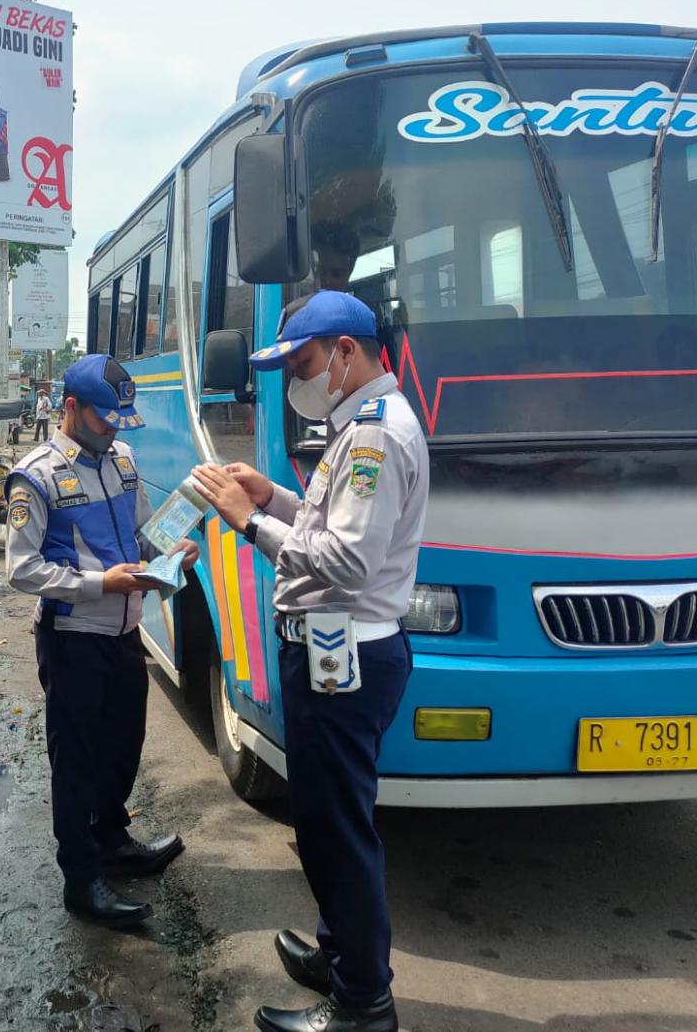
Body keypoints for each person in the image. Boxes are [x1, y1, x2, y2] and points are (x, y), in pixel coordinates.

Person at [192, 291, 429, 1032]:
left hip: (346, 657)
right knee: (324, 822)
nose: (297, 380)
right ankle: (342, 955)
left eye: (303, 363)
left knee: (338, 832)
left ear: (347, 353)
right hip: (335, 653)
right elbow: (333, 525)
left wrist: (249, 521)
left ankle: (362, 1004)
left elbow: (348, 561)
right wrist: (277, 498)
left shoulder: (374, 438)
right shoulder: (358, 426)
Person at [4, 354, 199, 929]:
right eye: (103, 417)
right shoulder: (34, 476)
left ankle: (112, 840)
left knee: (123, 745)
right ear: (71, 407)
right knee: (77, 762)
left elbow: (141, 532)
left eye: (120, 418)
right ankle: (81, 879)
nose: (113, 428)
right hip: (74, 639)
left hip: (125, 632)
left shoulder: (123, 459)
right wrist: (98, 584)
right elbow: (21, 569)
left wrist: (172, 553)